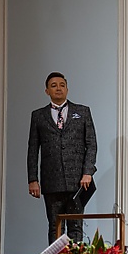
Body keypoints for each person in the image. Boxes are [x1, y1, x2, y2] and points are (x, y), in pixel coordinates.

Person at [27, 71, 97, 245]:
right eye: (53, 86)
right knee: (55, 226)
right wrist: (33, 179)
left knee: (76, 226)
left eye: (62, 85)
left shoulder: (82, 112)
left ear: (67, 89)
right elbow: (33, 149)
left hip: (78, 181)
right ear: (47, 91)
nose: (58, 88)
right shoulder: (38, 115)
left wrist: (87, 172)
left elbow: (91, 144)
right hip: (52, 181)